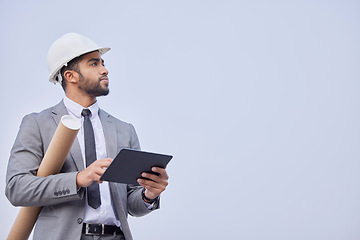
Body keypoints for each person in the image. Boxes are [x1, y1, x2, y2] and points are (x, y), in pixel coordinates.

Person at [5, 33, 169, 240]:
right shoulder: (37, 124)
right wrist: (77, 179)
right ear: (70, 76)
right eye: (94, 64)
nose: (104, 69)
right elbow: (16, 188)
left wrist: (149, 195)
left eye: (103, 63)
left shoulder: (124, 130)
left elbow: (131, 204)